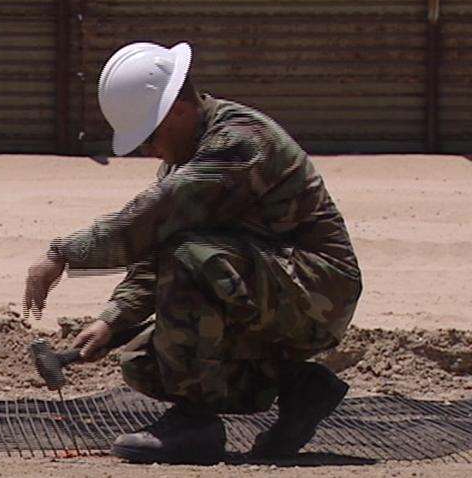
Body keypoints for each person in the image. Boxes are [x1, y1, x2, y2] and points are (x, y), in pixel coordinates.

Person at [23, 42, 362, 464]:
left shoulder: (237, 143)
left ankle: (195, 424)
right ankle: (299, 387)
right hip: (269, 286)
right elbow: (157, 250)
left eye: (150, 137)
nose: (148, 150)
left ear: (177, 111)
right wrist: (113, 321)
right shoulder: (189, 153)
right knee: (147, 361)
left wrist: (62, 254)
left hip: (318, 290)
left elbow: (150, 221)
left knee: (192, 257)